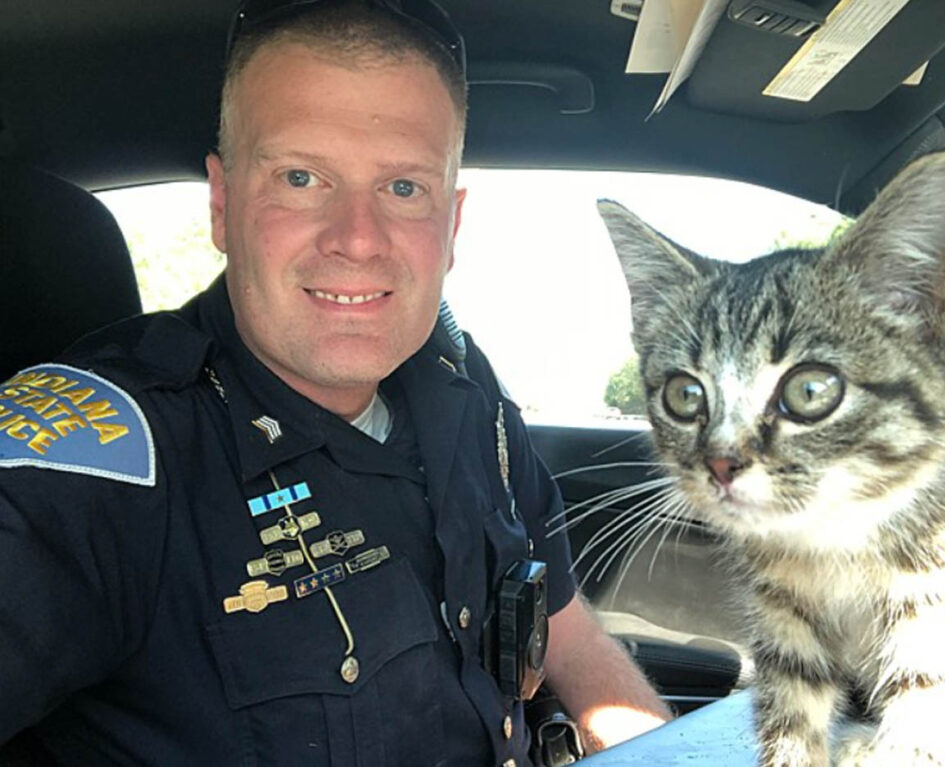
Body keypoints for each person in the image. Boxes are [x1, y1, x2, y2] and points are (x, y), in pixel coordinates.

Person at [0, 1, 671, 764]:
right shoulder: (105, 461)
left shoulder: (466, 391)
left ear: (450, 226)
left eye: (404, 188)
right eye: (300, 176)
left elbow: (567, 629)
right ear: (221, 205)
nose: (357, 237)